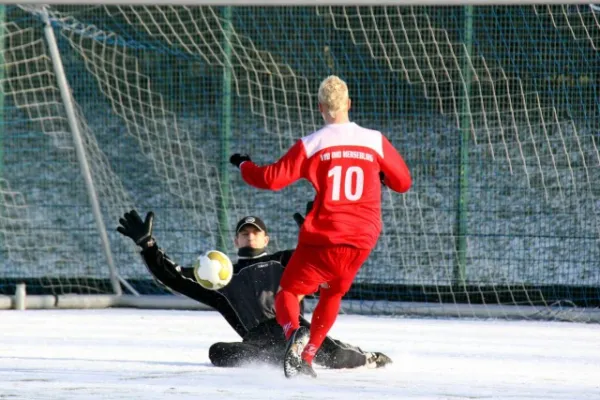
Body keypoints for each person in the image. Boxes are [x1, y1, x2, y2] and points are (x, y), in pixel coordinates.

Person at [230, 75, 411, 378]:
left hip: (325, 236)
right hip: (362, 239)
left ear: (320, 108)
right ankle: (308, 357)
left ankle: (292, 334)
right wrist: (380, 177)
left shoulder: (312, 144)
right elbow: (403, 182)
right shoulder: (374, 140)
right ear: (349, 104)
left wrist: (244, 165)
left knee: (287, 293)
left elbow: (271, 179)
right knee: (331, 294)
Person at [116, 209, 392, 371]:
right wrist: (147, 245)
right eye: (244, 232)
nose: (250, 235)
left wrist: (318, 236)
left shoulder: (286, 259)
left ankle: (369, 358)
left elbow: (327, 268)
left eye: (256, 231)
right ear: (236, 239)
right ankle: (281, 358)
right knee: (218, 353)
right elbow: (174, 277)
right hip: (258, 340)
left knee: (338, 357)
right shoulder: (219, 276)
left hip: (295, 328)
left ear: (266, 238)